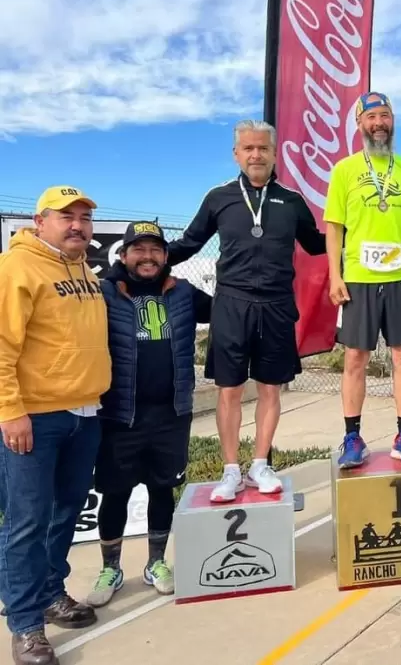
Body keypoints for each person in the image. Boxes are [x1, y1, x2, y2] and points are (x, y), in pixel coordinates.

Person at [168, 119, 327, 502]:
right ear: (237, 154)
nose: (256, 155)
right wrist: (150, 259)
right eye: (249, 149)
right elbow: (189, 243)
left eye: (263, 149)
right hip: (231, 306)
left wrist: (357, 230)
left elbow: (317, 244)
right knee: (230, 391)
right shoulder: (218, 197)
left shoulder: (290, 200)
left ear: (275, 153)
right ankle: (230, 471)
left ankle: (260, 465)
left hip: (276, 306)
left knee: (271, 390)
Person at [0, 187, 111, 665]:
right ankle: (25, 624)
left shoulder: (83, 269)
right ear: (39, 221)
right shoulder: (17, 267)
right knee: (26, 522)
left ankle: (51, 592)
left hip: (85, 413)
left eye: (85, 217)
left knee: (66, 512)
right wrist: (10, 410)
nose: (78, 225)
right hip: (36, 418)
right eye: (66, 216)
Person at [85, 222, 213, 607]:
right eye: (138, 249)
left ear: (166, 256)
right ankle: (111, 568)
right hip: (119, 415)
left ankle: (156, 563)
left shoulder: (185, 293)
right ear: (123, 256)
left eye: (156, 249)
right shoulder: (103, 293)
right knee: (115, 493)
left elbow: (233, 308)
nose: (148, 256)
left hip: (172, 414)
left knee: (162, 489)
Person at [325, 92, 401, 467]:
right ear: (359, 125)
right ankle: (352, 438)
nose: (379, 123)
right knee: (355, 357)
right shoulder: (344, 170)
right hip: (358, 278)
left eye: (385, 116)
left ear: (392, 122)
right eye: (371, 117)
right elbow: (334, 228)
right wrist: (334, 275)